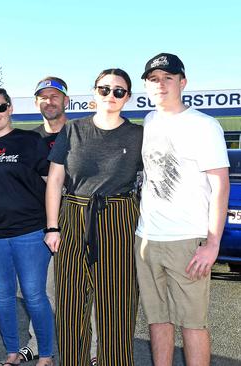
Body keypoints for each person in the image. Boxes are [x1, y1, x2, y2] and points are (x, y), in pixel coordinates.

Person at [135, 53, 229, 366]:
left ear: (182, 82)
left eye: (168, 78)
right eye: (153, 79)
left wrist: (212, 244)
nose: (160, 84)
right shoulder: (149, 122)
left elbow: (220, 186)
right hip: (147, 238)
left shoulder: (204, 125)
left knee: (193, 324)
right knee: (157, 320)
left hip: (187, 240)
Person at [45, 69, 143, 365]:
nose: (110, 96)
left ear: (128, 97)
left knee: (118, 306)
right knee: (70, 307)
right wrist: (52, 227)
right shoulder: (72, 130)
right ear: (94, 92)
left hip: (120, 217)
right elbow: (54, 180)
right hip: (74, 216)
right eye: (104, 89)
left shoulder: (139, 134)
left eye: (118, 91)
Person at [0, 88, 54, 366]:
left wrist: (54, 226)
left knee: (33, 295)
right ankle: (11, 353)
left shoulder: (30, 141)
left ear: (10, 109)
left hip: (31, 233)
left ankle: (45, 355)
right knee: (3, 297)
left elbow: (51, 184)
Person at [23, 77, 99, 366]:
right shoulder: (30, 139)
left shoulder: (81, 132)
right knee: (38, 289)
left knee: (83, 288)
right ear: (36, 102)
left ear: (66, 101)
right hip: (37, 225)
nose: (49, 101)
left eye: (55, 96)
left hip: (77, 221)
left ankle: (92, 349)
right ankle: (38, 343)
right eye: (43, 97)